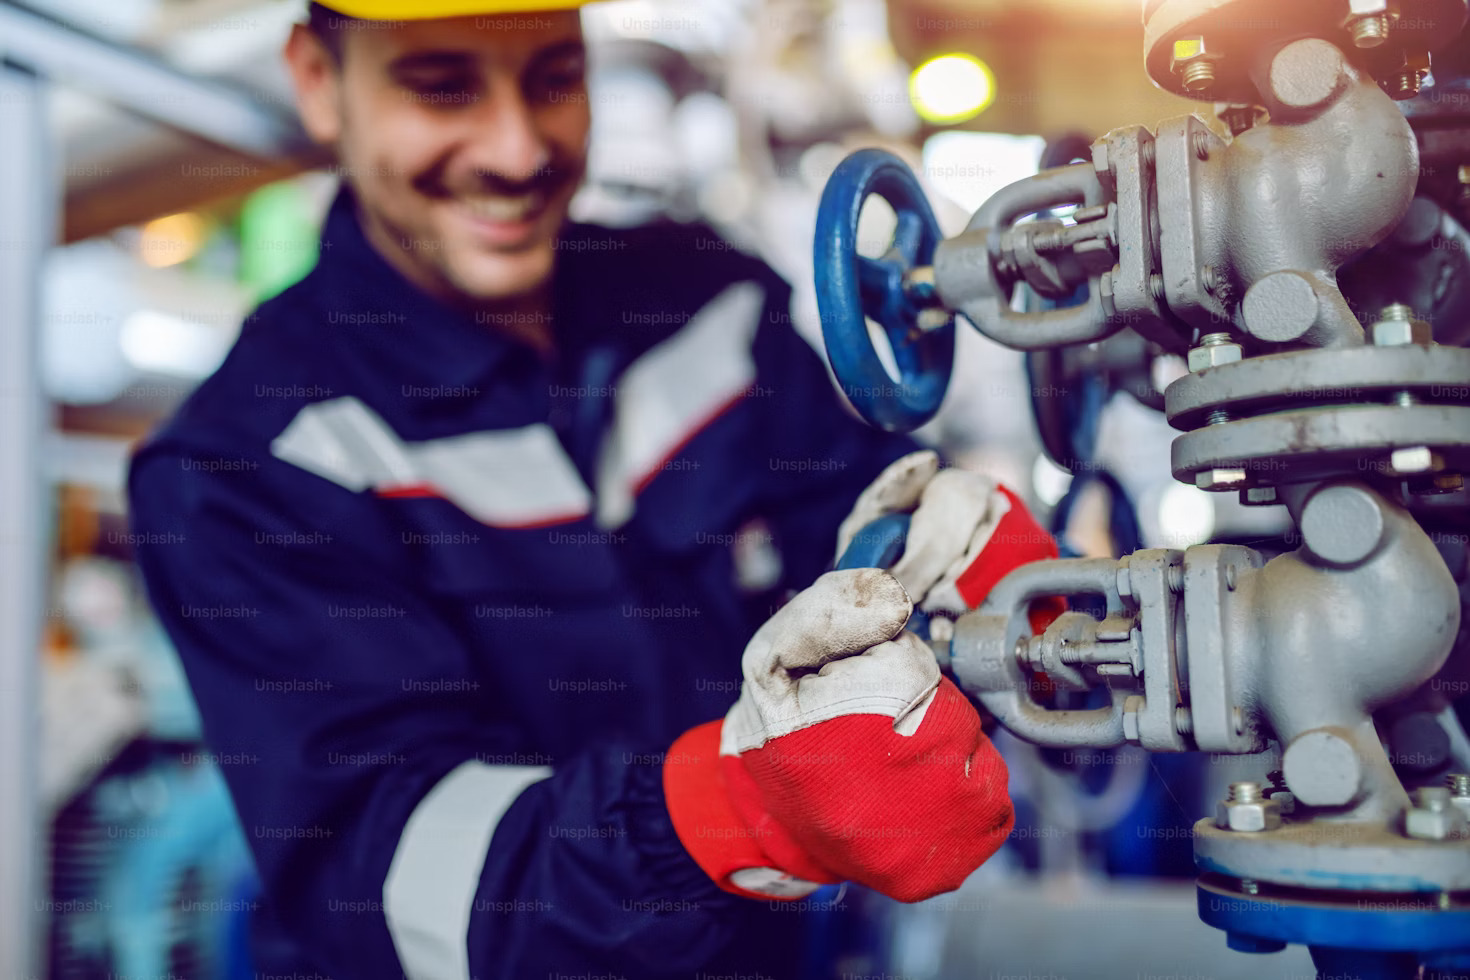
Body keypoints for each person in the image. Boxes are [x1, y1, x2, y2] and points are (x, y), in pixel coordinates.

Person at [128, 2, 1061, 977]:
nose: (518, 148)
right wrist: (727, 810)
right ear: (319, 81)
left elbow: (857, 537)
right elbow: (393, 877)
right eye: (442, 85)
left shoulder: (707, 302)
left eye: (553, 75)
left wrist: (952, 577)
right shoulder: (246, 463)